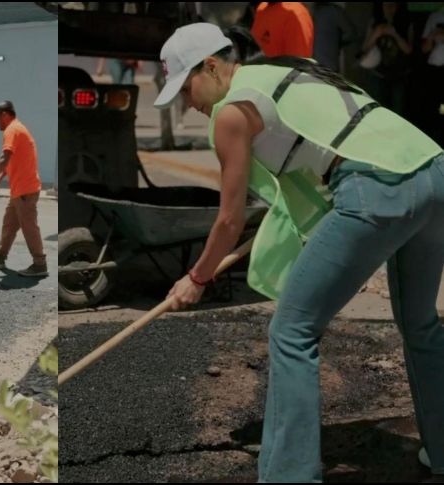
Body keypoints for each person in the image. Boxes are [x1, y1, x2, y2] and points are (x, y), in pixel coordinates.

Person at [154, 22, 444, 482]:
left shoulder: (230, 113)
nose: (188, 102)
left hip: (376, 189)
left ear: (211, 66)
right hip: (432, 171)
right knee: (420, 323)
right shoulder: (285, 70)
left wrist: (197, 277)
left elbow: (229, 221)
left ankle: (289, 475)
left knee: (292, 332)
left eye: (186, 86)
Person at [0, 101, 47, 277]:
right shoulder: (16, 129)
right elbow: (11, 161)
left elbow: (4, 157)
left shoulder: (12, 130)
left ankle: (40, 265)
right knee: (9, 224)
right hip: (20, 189)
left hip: (25, 190)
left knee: (29, 227)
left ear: (5, 114)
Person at [361, 2, 413, 116]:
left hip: (399, 74)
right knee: (377, 111)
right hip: (378, 74)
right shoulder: (374, 22)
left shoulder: (406, 23)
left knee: (398, 112)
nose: (390, 8)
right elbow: (364, 50)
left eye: (393, 4)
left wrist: (394, 34)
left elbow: (409, 50)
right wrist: (376, 34)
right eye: (386, 4)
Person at [312, 2, 358, 72]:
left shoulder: (308, 11)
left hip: (310, 65)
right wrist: (337, 43)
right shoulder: (333, 11)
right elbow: (351, 33)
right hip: (328, 65)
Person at [421, 5, 444, 146]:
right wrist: (432, 36)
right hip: (434, 69)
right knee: (434, 109)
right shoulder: (434, 16)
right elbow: (424, 48)